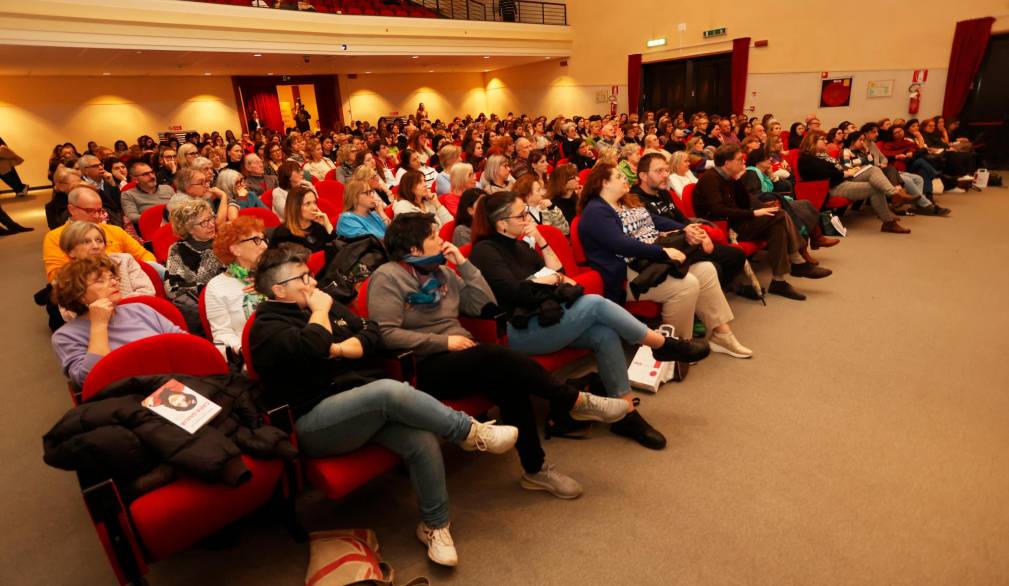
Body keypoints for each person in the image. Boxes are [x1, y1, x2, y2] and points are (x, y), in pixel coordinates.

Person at [249, 242, 517, 566]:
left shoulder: (325, 306)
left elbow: (371, 331)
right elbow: (311, 347)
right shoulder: (266, 327)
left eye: (309, 275)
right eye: (302, 279)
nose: (312, 283)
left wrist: (344, 349)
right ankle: (469, 433)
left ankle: (435, 526)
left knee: (420, 440)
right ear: (279, 290)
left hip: (358, 405)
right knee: (388, 390)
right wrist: (320, 313)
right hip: (314, 422)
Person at [369, 214, 627, 498]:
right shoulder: (388, 276)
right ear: (414, 248)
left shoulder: (441, 271)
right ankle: (573, 400)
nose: (442, 240)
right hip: (422, 366)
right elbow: (386, 334)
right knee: (497, 357)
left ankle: (536, 470)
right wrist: (443, 342)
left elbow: (485, 304)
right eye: (433, 236)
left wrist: (464, 266)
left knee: (510, 379)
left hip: (466, 356)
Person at [467, 193, 717, 448]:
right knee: (594, 303)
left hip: (545, 317)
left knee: (604, 333)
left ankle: (626, 413)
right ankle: (661, 345)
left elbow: (559, 272)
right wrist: (551, 281)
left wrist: (542, 242)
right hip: (518, 331)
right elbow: (517, 292)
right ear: (500, 223)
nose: (527, 219)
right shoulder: (485, 251)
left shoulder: (521, 245)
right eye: (520, 215)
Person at [578, 162, 750, 357]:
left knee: (706, 269)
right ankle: (675, 347)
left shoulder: (624, 201)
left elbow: (652, 220)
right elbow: (620, 244)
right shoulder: (595, 211)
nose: (625, 178)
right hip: (627, 272)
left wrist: (683, 227)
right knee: (687, 284)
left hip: (648, 261)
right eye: (618, 177)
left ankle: (722, 335)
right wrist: (663, 251)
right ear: (604, 183)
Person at [694, 145, 831, 301]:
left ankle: (779, 281)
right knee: (778, 215)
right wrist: (753, 213)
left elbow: (744, 203)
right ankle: (797, 262)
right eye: (739, 160)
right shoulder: (709, 179)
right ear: (727, 163)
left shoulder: (730, 178)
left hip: (736, 221)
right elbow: (718, 210)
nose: (743, 162)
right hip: (723, 228)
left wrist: (738, 181)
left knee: (777, 225)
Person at [51, 256, 184, 387]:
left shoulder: (139, 309)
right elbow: (89, 381)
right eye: (100, 280)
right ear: (79, 295)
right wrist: (99, 325)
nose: (114, 283)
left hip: (177, 380)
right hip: (129, 397)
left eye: (112, 277)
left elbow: (184, 344)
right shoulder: (65, 336)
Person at [632, 153, 748, 292]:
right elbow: (655, 225)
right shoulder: (634, 199)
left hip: (686, 238)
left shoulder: (664, 193)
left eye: (666, 170)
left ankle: (718, 289)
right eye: (659, 171)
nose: (665, 175)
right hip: (668, 247)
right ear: (643, 176)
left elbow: (682, 219)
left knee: (735, 255)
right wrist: (692, 232)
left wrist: (700, 233)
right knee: (721, 262)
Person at [797, 131, 912, 234]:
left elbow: (835, 170)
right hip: (831, 187)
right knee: (876, 188)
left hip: (842, 180)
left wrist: (845, 172)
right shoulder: (806, 159)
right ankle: (889, 218)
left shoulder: (824, 156)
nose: (826, 141)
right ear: (812, 141)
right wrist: (843, 173)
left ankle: (893, 195)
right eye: (822, 139)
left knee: (873, 169)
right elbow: (823, 173)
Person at [43, 186, 155, 282]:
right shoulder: (55, 237)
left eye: (99, 210)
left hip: (127, 282)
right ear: (72, 209)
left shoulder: (115, 231)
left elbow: (145, 256)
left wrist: (134, 274)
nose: (97, 216)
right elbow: (57, 276)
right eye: (89, 211)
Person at [741, 147, 835, 252]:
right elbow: (756, 196)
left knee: (806, 203)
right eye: (767, 158)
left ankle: (816, 238)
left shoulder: (763, 174)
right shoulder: (751, 173)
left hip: (776, 200)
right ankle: (806, 246)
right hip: (767, 206)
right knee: (803, 208)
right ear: (758, 161)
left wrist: (772, 176)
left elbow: (783, 188)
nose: (770, 160)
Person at [204, 216, 267, 356]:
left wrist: (270, 291)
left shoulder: (273, 274)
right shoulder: (216, 287)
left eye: (263, 239)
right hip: (251, 352)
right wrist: (242, 349)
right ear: (235, 249)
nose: (264, 246)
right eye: (257, 240)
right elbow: (222, 333)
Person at [165, 198, 224, 333]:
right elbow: (172, 289)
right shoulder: (177, 249)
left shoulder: (223, 242)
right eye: (204, 222)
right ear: (189, 229)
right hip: (200, 308)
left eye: (211, 218)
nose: (211, 225)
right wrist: (205, 288)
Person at [271, 184, 335, 253]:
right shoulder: (283, 234)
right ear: (295, 208)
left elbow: (336, 250)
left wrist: (327, 225)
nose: (314, 208)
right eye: (307, 204)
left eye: (314, 202)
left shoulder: (318, 226)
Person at [120, 161, 175, 225]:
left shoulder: (167, 188)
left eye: (152, 172)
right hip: (152, 227)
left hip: (176, 224)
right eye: (145, 174)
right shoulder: (128, 195)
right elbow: (132, 217)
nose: (152, 176)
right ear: (135, 179)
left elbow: (180, 207)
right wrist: (160, 219)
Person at [76, 155, 124, 227]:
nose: (101, 168)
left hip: (117, 220)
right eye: (95, 166)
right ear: (85, 170)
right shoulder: (80, 186)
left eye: (101, 164)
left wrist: (112, 183)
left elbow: (120, 205)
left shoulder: (109, 179)